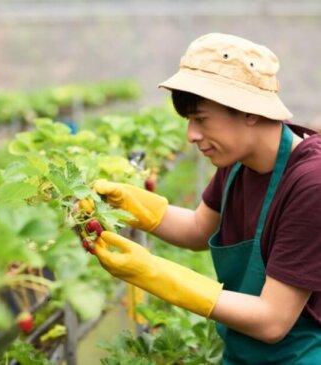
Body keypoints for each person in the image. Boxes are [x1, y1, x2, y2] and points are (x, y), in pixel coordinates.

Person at [93, 33, 321, 364]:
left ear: (249, 112)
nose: (191, 135)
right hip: (242, 352)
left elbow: (273, 320)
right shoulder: (239, 161)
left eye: (201, 120)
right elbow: (199, 229)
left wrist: (152, 273)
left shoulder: (310, 184)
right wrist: (130, 205)